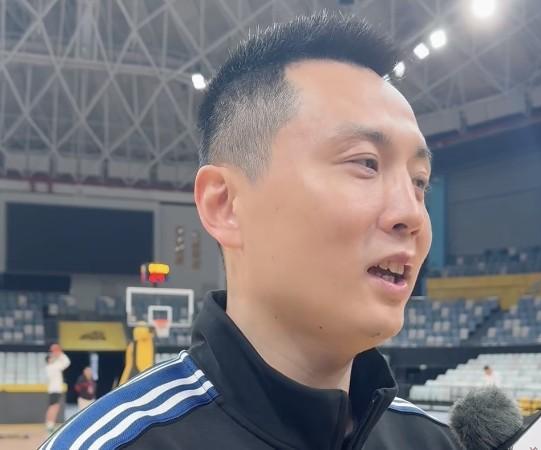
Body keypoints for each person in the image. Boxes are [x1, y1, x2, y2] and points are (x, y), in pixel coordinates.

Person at [41, 13, 458, 449]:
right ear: (224, 204)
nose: (412, 213)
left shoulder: (437, 442)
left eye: (420, 181)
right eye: (366, 163)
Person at [44, 344, 70, 435]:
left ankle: (50, 425)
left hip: (54, 390)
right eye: (51, 358)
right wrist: (59, 353)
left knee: (53, 407)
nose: (53, 358)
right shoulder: (53, 367)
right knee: (53, 408)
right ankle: (50, 426)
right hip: (55, 390)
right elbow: (67, 362)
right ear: (49, 360)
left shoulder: (50, 367)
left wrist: (57, 354)